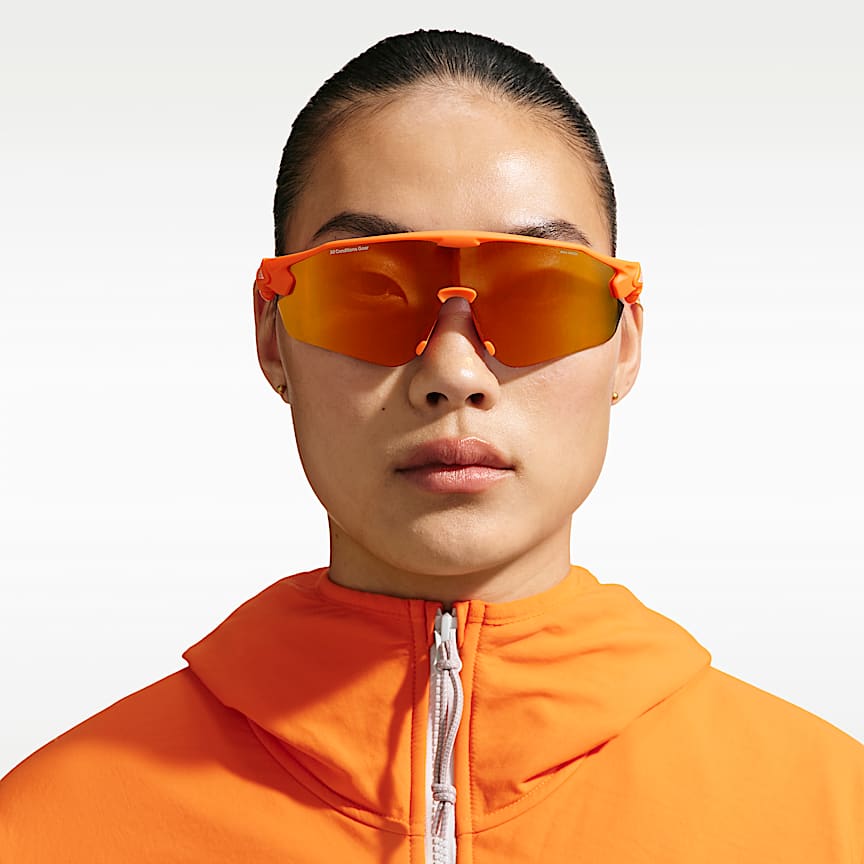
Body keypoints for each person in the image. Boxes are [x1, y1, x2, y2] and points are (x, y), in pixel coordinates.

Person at [1, 28, 862, 864]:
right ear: (272, 339)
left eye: (538, 290)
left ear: (626, 343)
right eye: (370, 289)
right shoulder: (47, 828)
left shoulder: (830, 816)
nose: (454, 372)